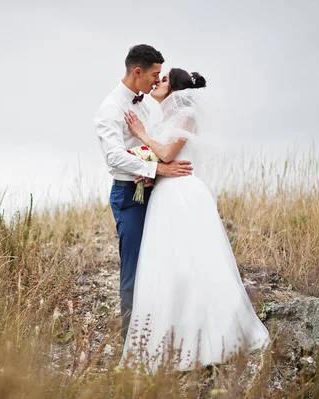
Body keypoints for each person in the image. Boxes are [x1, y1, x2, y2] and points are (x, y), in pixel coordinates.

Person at [120, 68, 270, 372]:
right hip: (164, 195)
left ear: (174, 89)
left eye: (162, 80)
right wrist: (144, 171)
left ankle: (210, 339)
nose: (156, 82)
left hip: (183, 195)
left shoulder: (186, 115)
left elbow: (166, 152)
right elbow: (158, 159)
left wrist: (142, 136)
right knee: (167, 267)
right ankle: (170, 340)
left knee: (194, 264)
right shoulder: (162, 119)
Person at [94, 45, 194, 342]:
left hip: (158, 195)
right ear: (137, 71)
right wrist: (158, 170)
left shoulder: (147, 106)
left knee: (161, 265)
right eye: (155, 74)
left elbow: (155, 145)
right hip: (130, 196)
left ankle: (163, 335)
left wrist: (156, 166)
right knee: (134, 272)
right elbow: (113, 157)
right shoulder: (110, 109)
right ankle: (131, 345)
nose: (157, 80)